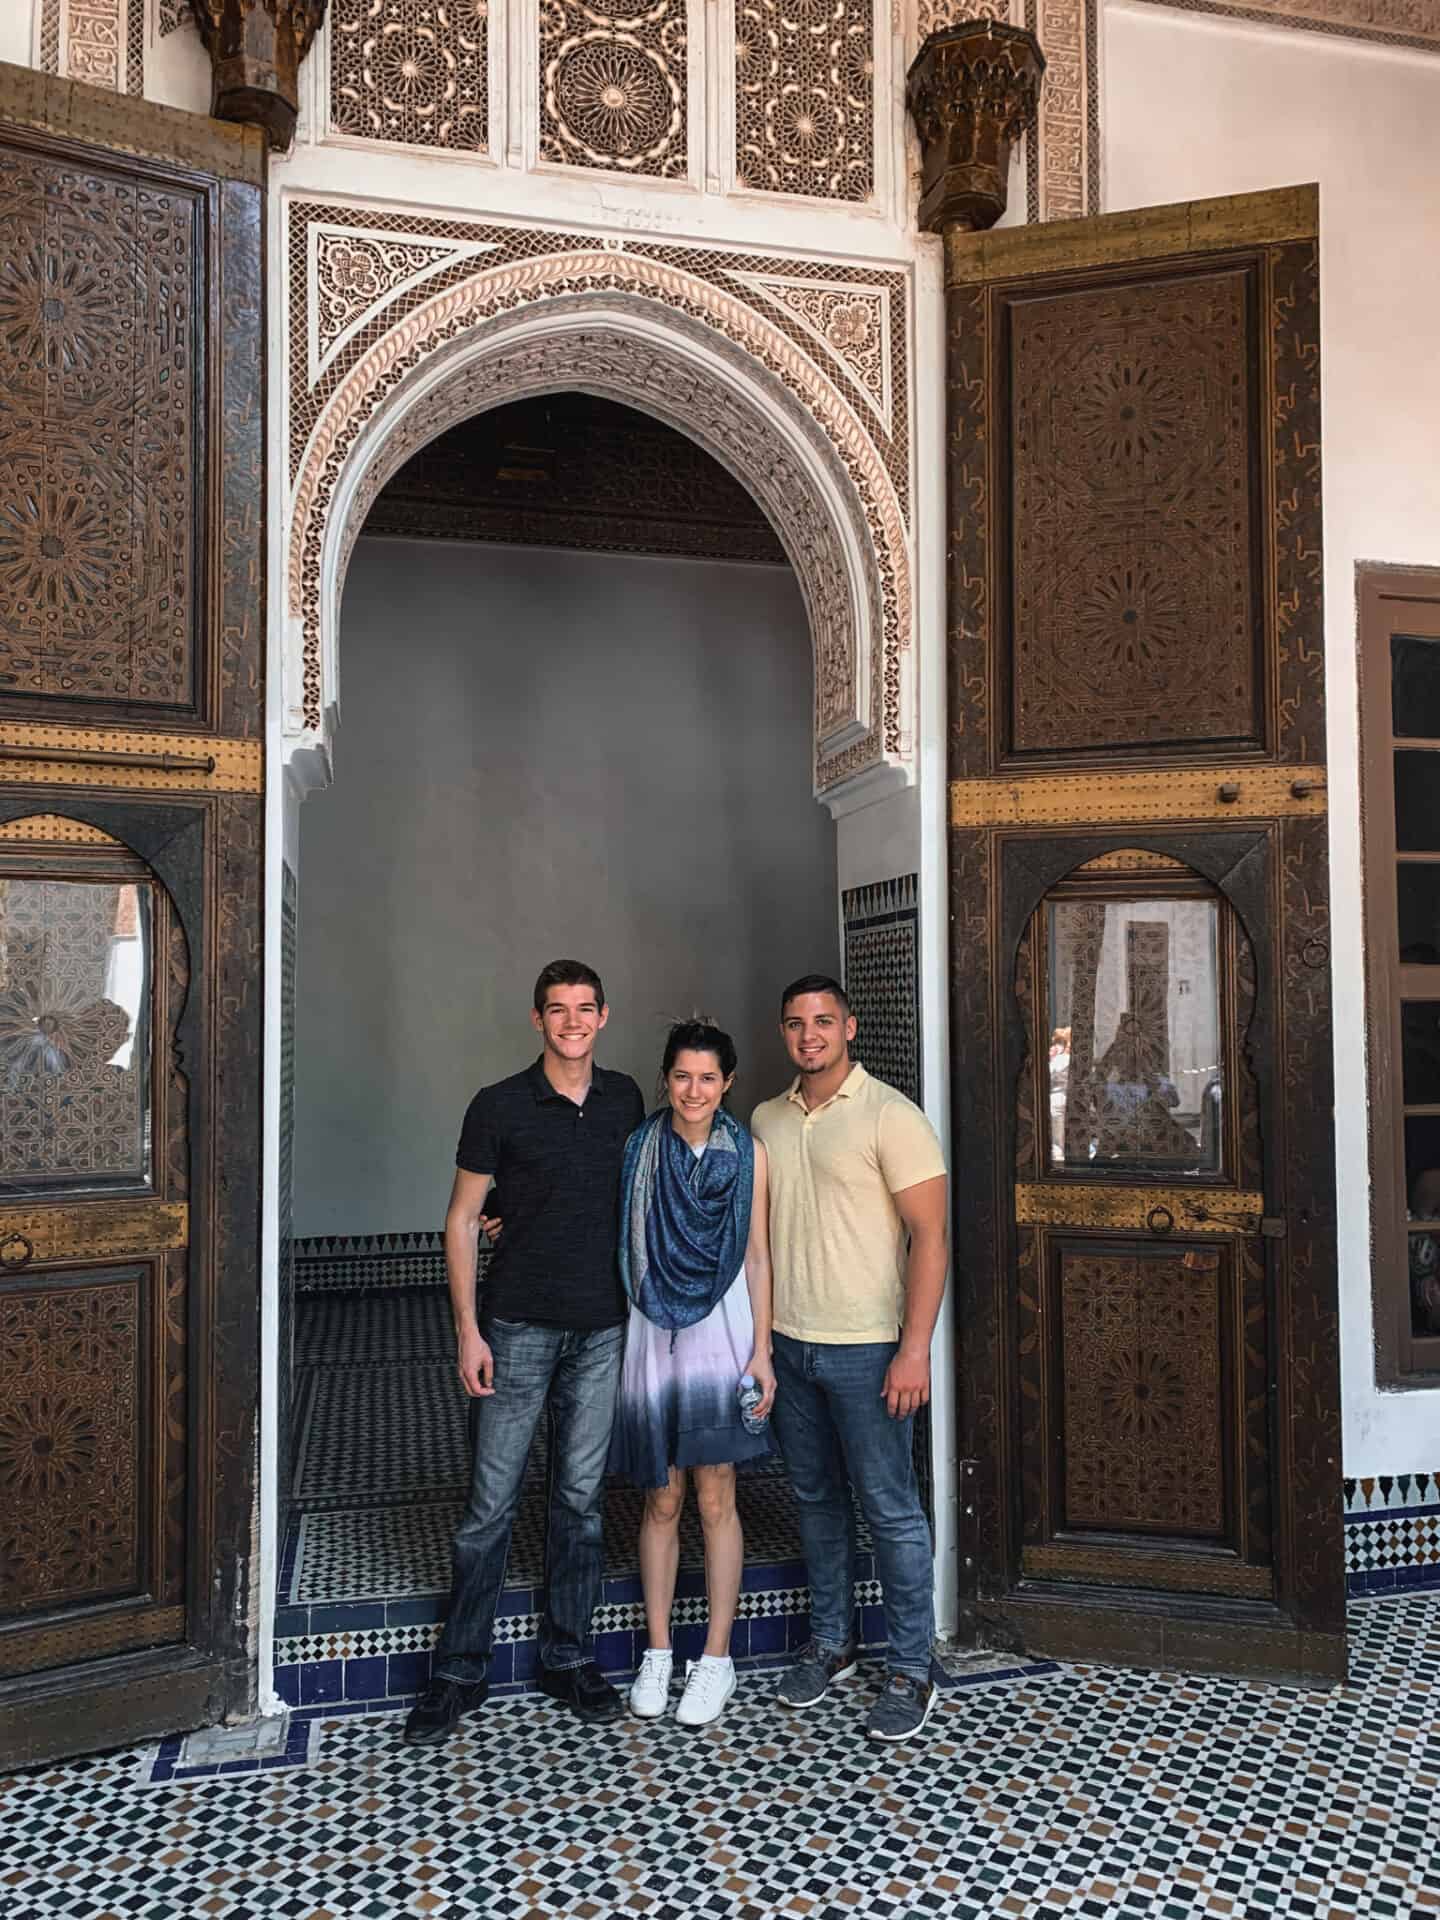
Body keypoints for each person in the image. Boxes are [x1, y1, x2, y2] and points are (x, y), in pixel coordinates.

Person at [402, 960, 645, 1746]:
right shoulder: (499, 1105)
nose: (572, 1021)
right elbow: (463, 1218)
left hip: (603, 1330)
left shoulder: (627, 1100)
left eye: (584, 1008)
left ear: (604, 1016)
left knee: (579, 1503)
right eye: (557, 1009)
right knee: (488, 1508)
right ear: (536, 1019)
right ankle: (459, 1671)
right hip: (514, 1329)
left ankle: (566, 1657)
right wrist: (467, 1330)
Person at [752, 973, 949, 1743]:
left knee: (890, 1510)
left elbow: (930, 1237)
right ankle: (832, 1643)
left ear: (850, 1028)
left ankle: (910, 1666)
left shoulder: (889, 1116)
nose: (810, 1035)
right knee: (815, 1501)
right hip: (792, 1348)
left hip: (869, 1351)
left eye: (824, 1022)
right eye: (797, 1023)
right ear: (784, 1033)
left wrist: (913, 1350)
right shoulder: (766, 1118)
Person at [609, 1020, 777, 1728]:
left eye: (709, 1078)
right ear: (665, 1078)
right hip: (654, 1332)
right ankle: (657, 1652)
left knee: (715, 1497)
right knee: (661, 1498)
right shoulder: (638, 1149)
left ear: (728, 1083)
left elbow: (759, 1256)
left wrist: (762, 1351)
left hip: (723, 1332)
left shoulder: (749, 1155)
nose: (694, 1090)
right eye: (682, 1076)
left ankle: (714, 1659)